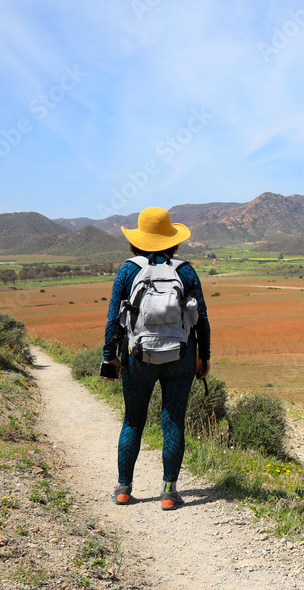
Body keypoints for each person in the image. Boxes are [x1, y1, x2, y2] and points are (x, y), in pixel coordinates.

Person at [102, 206, 211, 510]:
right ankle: (168, 492)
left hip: (138, 357)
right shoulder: (185, 271)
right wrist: (205, 357)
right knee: (173, 420)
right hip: (182, 355)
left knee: (133, 421)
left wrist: (109, 357)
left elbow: (113, 319)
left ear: (137, 240)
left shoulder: (127, 271)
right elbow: (201, 319)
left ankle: (124, 489)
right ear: (172, 240)